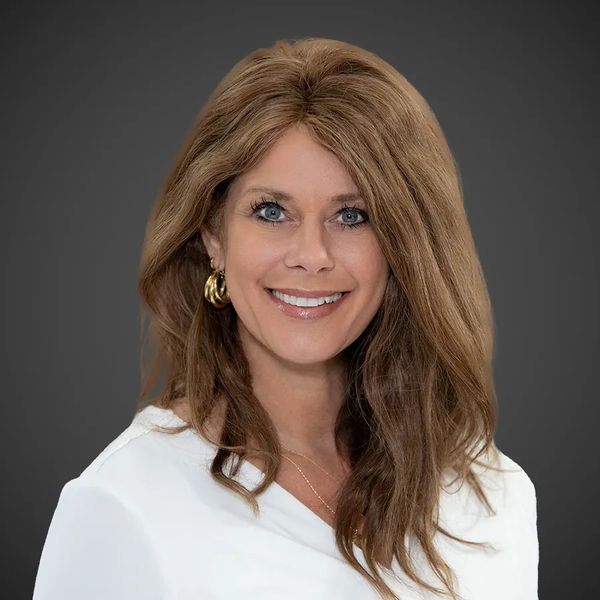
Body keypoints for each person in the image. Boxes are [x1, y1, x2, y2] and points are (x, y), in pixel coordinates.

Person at [32, 37, 539, 599]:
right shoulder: (125, 506)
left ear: (404, 244)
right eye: (271, 211)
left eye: (353, 216)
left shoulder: (491, 494)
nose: (312, 255)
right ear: (213, 235)